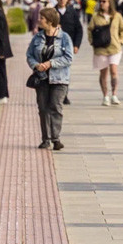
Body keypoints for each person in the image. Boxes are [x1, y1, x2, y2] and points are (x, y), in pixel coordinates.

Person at [26, 8, 74, 150]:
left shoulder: (64, 38)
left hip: (59, 79)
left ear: (50, 21)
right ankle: (45, 139)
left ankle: (56, 138)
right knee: (43, 108)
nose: (39, 20)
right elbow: (29, 55)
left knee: (56, 107)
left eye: (42, 18)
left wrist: (50, 63)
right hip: (41, 78)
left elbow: (68, 58)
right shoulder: (37, 37)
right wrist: (35, 65)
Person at [88, 0, 123, 106]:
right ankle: (105, 95)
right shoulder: (96, 16)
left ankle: (114, 94)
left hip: (115, 47)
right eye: (101, 1)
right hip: (101, 49)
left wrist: (122, 41)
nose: (101, 3)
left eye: (104, 1)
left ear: (110, 3)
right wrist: (92, 42)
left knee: (114, 71)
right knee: (103, 73)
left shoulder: (117, 16)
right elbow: (90, 30)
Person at [55, 0, 83, 105]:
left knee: (65, 71)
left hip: (68, 46)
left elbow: (79, 29)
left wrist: (76, 45)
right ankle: (57, 95)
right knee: (56, 70)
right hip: (55, 45)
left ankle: (64, 94)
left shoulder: (72, 12)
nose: (62, 0)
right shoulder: (53, 12)